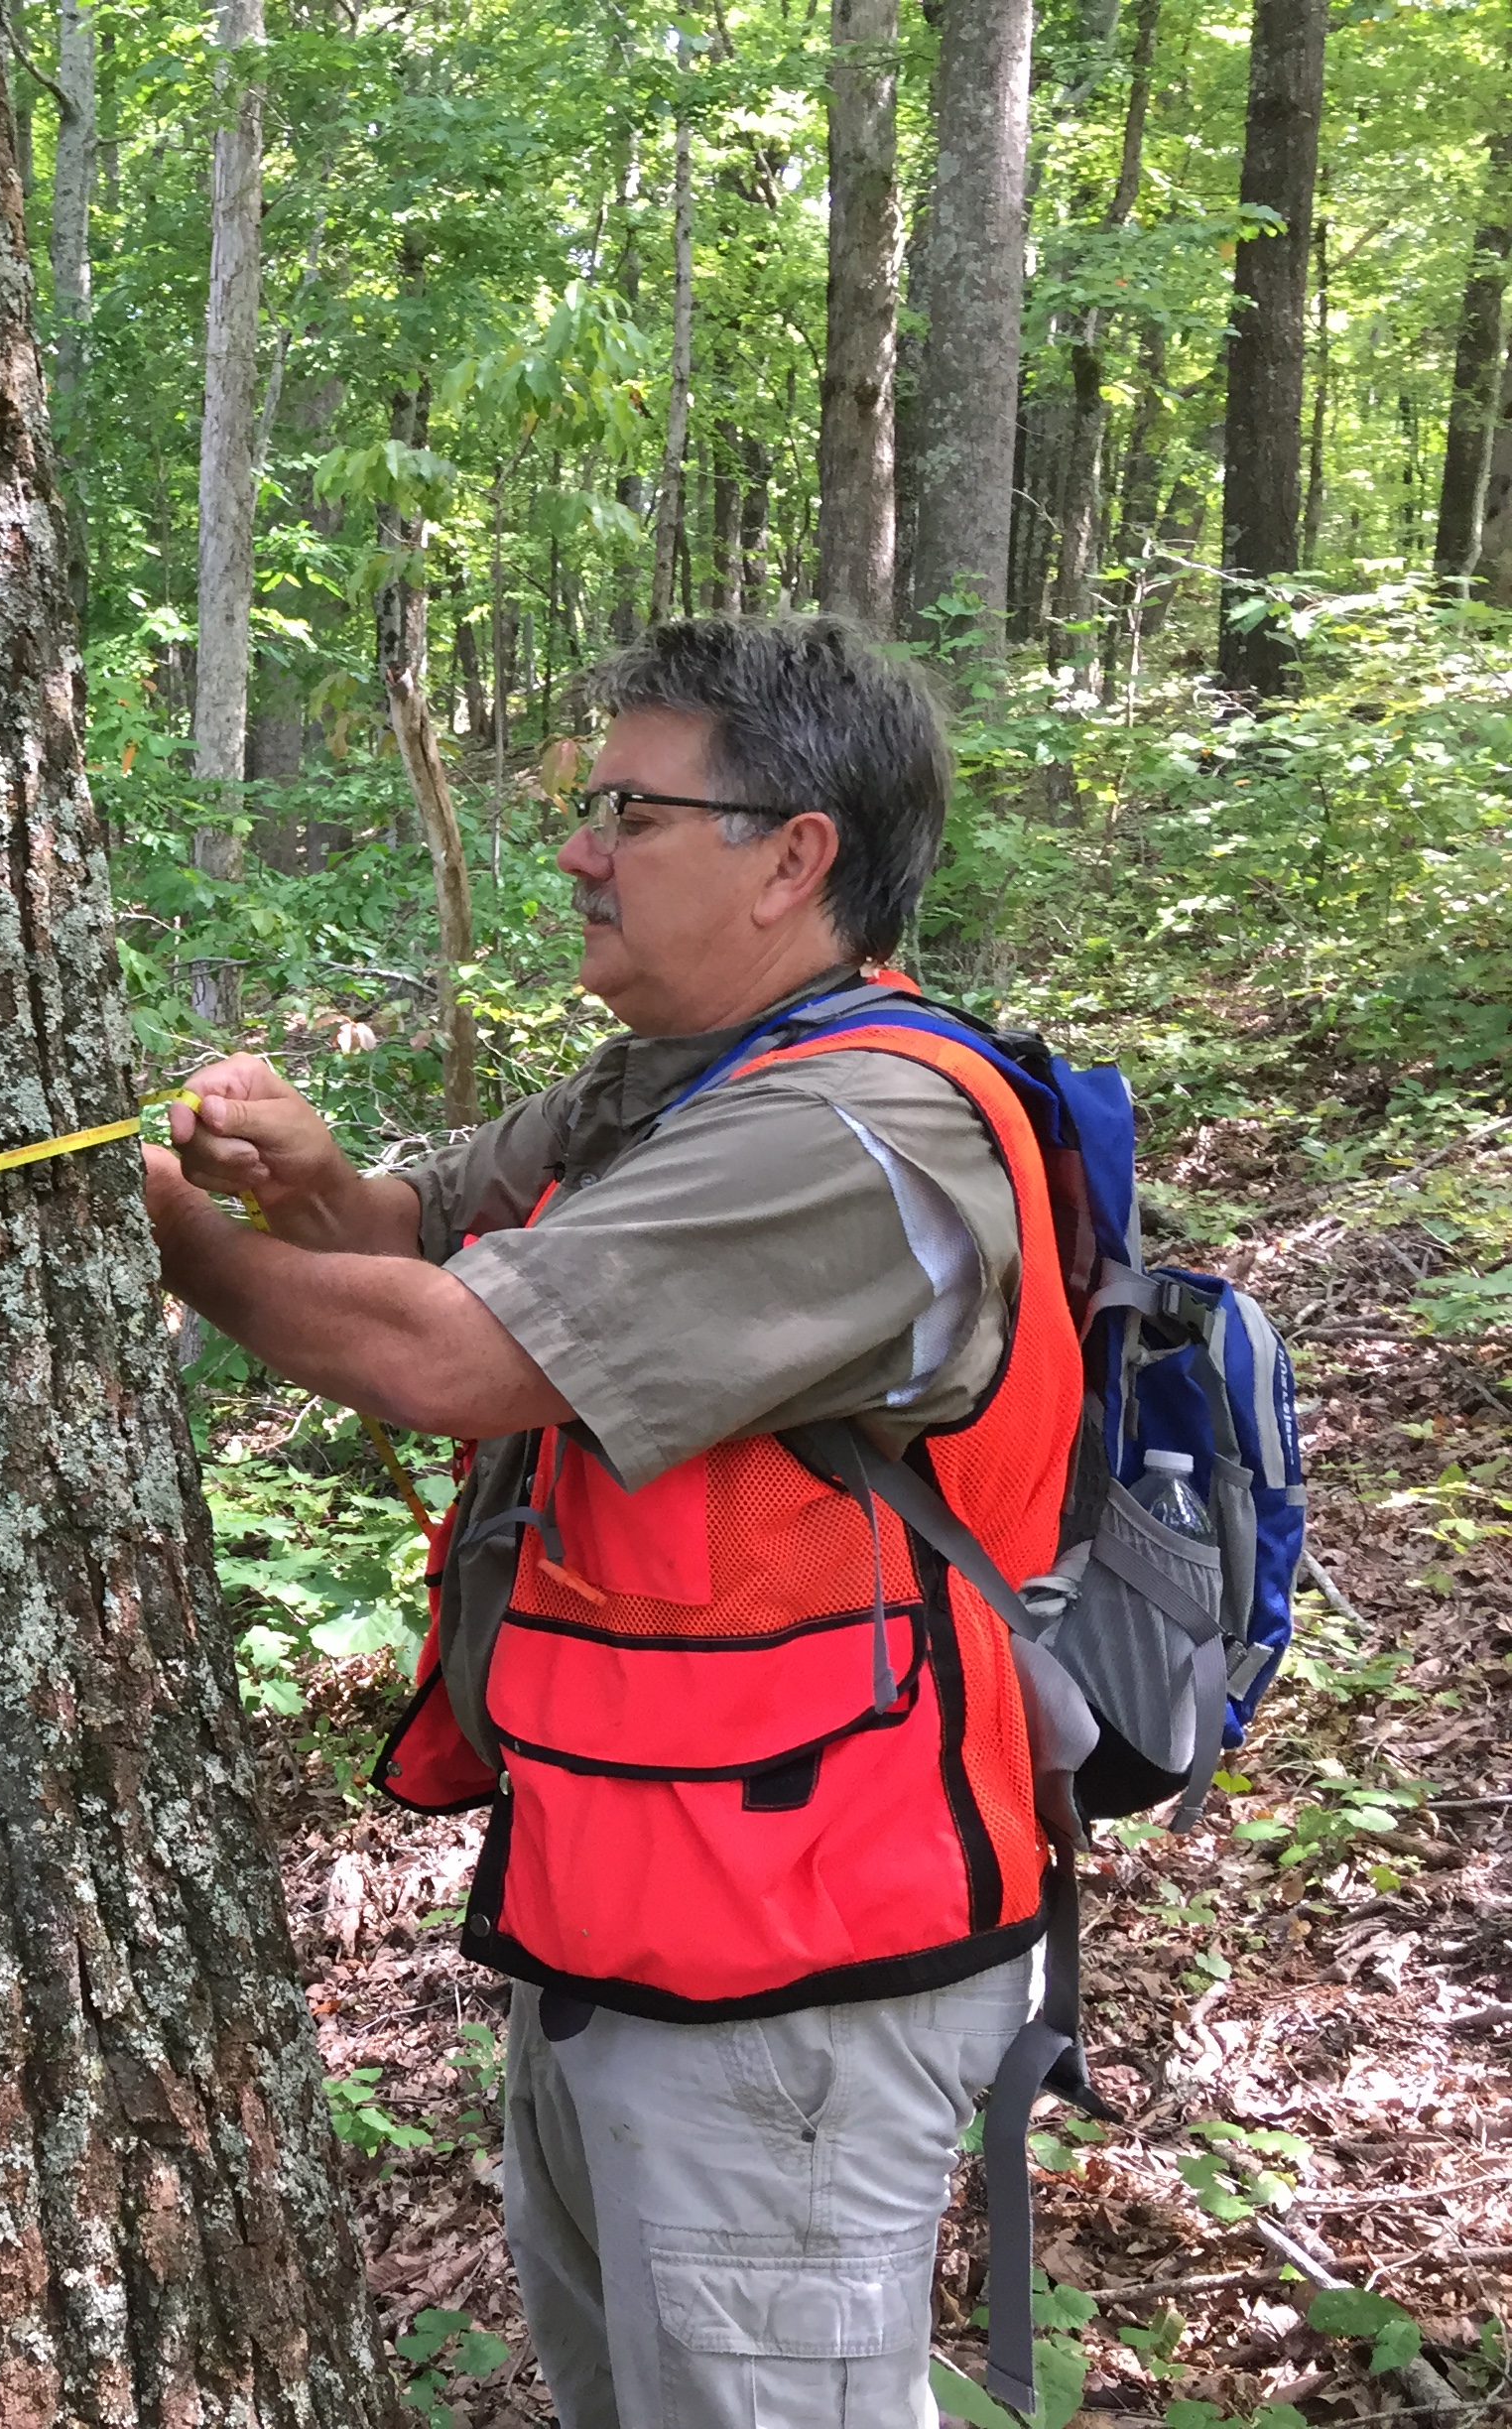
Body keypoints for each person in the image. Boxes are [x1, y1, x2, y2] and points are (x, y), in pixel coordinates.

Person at [145, 616, 1080, 2429]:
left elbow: (463, 1359)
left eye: (629, 813)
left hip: (803, 1957)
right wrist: (314, 1180)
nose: (575, 851)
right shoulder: (666, 1080)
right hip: (647, 1901)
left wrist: (158, 1232)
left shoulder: (856, 1131)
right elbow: (421, 1251)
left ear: (792, 854)